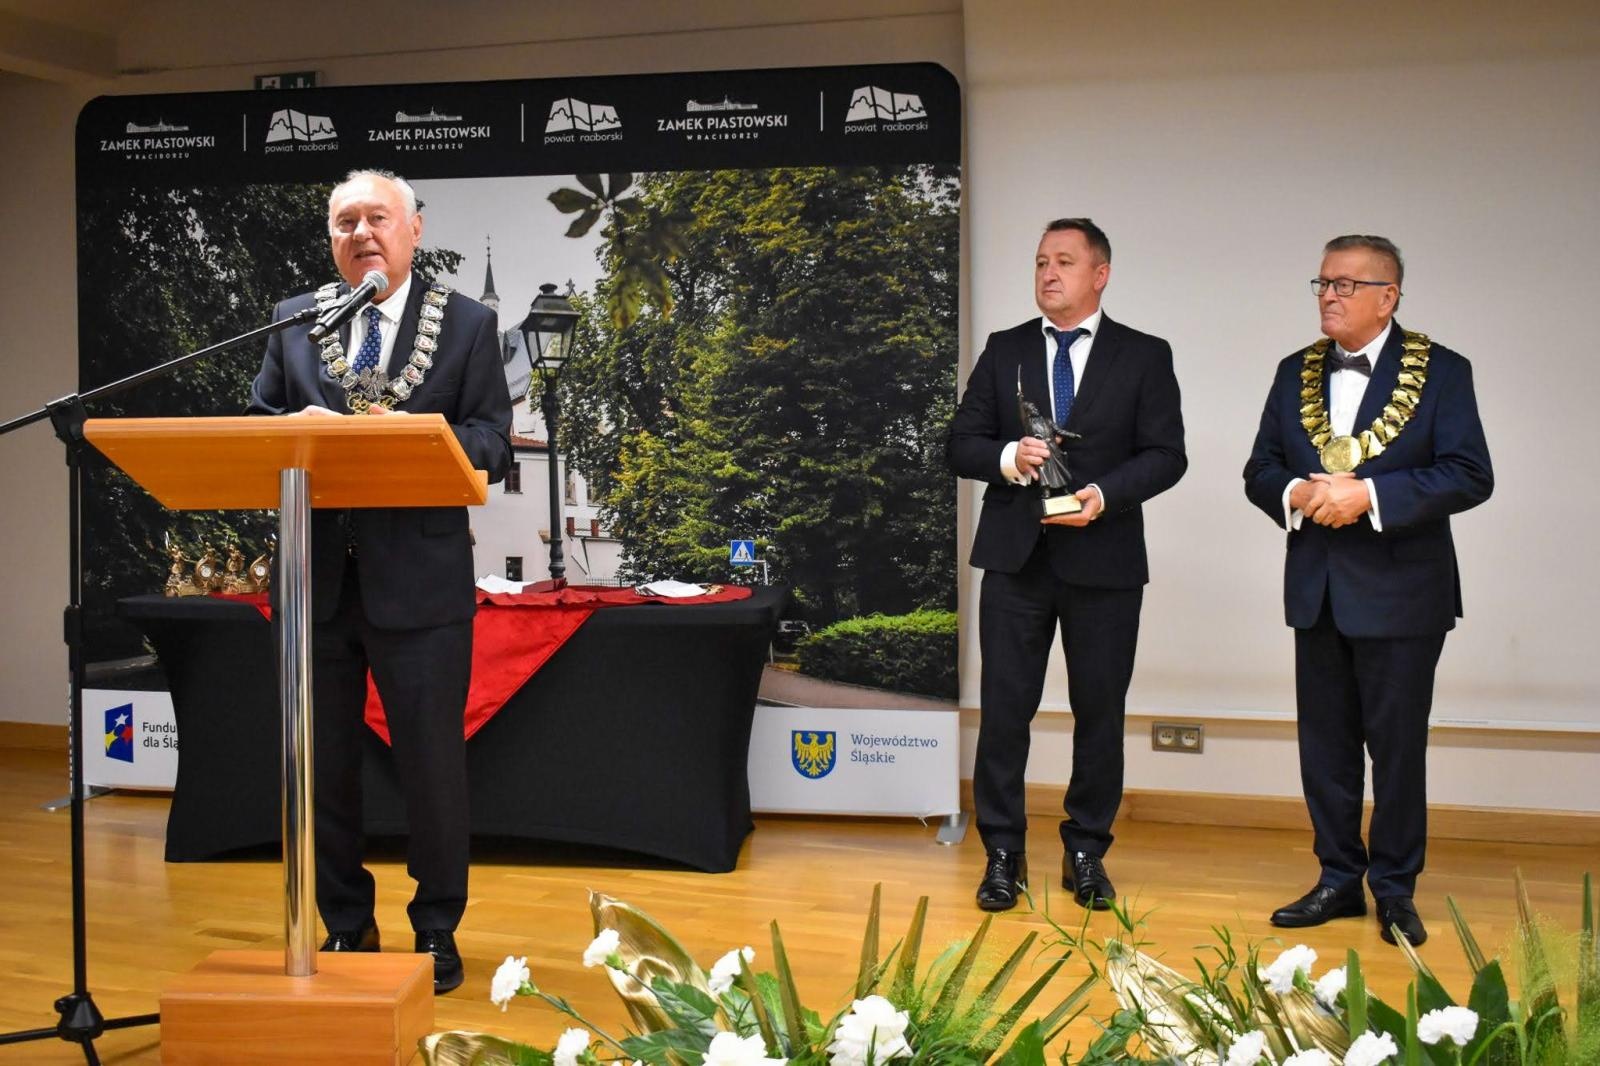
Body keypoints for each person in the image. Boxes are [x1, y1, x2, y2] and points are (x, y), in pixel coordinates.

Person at [248, 169, 512, 992]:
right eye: (344, 222)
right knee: (322, 768)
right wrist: (295, 427)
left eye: (378, 218)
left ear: (414, 230)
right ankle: (344, 927)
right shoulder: (296, 321)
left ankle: (436, 929)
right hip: (316, 582)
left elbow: (494, 444)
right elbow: (258, 424)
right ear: (331, 238)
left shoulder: (469, 326)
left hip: (422, 586)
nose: (362, 233)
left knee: (433, 768)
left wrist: (416, 436)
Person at [1243, 235, 1492, 946]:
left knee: (1397, 748)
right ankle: (1336, 880)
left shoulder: (1443, 373)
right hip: (1317, 588)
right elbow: (1259, 467)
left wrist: (1371, 497)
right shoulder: (1294, 371)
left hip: (1403, 594)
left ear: (1390, 297)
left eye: (1347, 284)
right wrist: (1295, 490)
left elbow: (1469, 473)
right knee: (1324, 750)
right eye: (1322, 280)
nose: (1329, 294)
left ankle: (1394, 889)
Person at [947, 218, 1186, 911]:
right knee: (1004, 712)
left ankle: (1086, 851)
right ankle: (1002, 854)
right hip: (1016, 558)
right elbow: (958, 444)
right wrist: (1006, 458)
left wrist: (1106, 495)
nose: (1049, 273)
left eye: (1065, 262)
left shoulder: (1144, 355)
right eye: (1041, 262)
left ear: (1099, 273)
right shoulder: (1005, 350)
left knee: (1099, 712)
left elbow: (1167, 455)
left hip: (1104, 558)